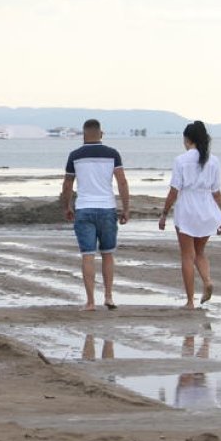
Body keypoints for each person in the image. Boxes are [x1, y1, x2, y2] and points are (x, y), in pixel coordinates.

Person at [61, 119, 130, 311]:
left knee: (88, 255)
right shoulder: (112, 154)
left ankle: (91, 302)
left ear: (84, 135)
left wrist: (67, 206)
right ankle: (108, 297)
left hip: (84, 208)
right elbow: (122, 182)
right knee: (107, 254)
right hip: (107, 208)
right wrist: (126, 208)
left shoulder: (75, 155)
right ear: (101, 134)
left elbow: (67, 184)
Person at [158, 121, 221, 309]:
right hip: (207, 208)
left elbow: (174, 191)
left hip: (187, 209)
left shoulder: (181, 160)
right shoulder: (214, 161)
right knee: (200, 252)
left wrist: (164, 213)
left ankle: (190, 301)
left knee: (187, 255)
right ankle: (207, 281)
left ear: (187, 139)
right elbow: (217, 193)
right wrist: (220, 218)